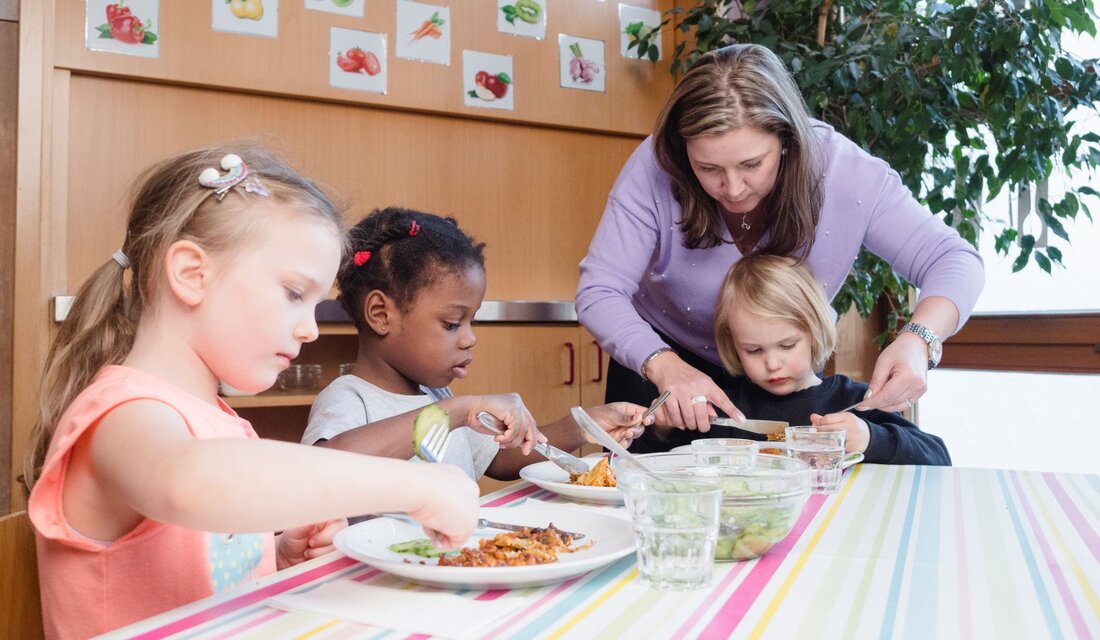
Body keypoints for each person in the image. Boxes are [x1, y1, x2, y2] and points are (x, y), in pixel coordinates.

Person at [23, 146, 480, 639]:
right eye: (292, 294)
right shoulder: (117, 413)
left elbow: (201, 558)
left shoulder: (219, 421)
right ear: (192, 275)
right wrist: (416, 486)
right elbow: (189, 483)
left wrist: (276, 555)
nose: (310, 330)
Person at [576, 43, 983, 453]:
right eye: (709, 169)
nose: (731, 188)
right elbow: (600, 291)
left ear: (787, 140)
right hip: (662, 367)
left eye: (752, 164)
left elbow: (953, 259)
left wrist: (919, 338)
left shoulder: (844, 173)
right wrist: (664, 366)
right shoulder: (655, 166)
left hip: (783, 385)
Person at [304, 207, 652, 479]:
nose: (470, 338)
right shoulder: (350, 398)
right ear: (381, 314)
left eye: (472, 321)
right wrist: (456, 412)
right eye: (453, 323)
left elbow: (499, 459)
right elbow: (323, 467)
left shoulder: (436, 396)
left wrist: (582, 425)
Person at [655, 254, 950, 465]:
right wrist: (664, 427)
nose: (772, 363)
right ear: (733, 345)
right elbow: (651, 463)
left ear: (814, 333)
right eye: (754, 351)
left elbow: (937, 456)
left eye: (787, 345)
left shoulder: (856, 401)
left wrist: (870, 439)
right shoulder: (727, 411)